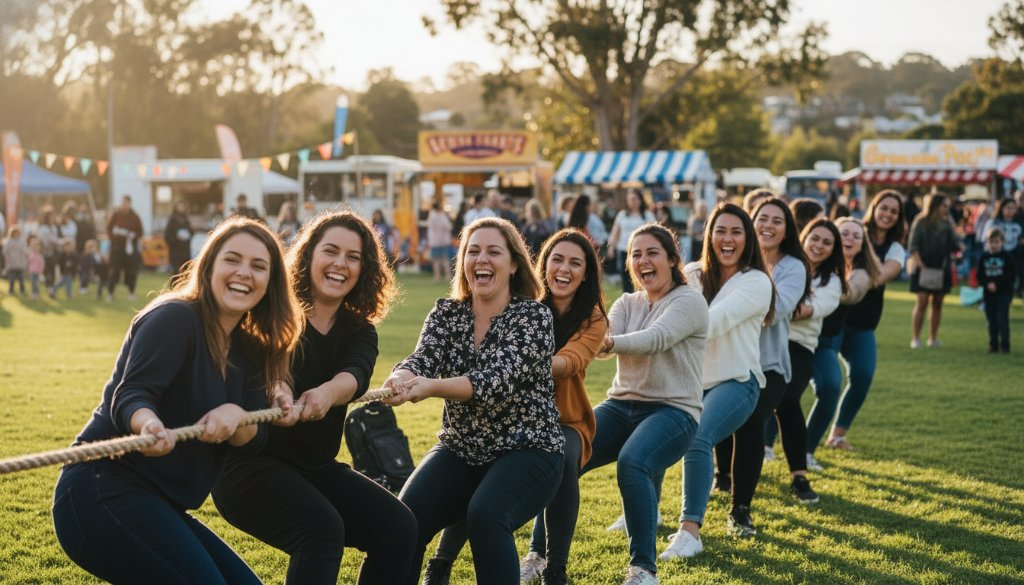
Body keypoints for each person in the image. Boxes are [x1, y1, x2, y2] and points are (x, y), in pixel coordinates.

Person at [52, 218, 304, 584]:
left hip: (162, 503)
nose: (244, 273)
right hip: (101, 487)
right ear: (210, 265)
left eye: (259, 266)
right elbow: (132, 395)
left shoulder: (252, 349)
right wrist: (148, 424)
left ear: (270, 283)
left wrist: (237, 418)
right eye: (232, 259)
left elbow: (256, 440)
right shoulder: (175, 318)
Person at [213, 211, 416, 584]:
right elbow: (270, 367)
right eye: (331, 251)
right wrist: (280, 391)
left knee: (399, 528)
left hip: (315, 468)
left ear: (364, 268)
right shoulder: (273, 312)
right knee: (322, 532)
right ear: (309, 256)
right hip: (249, 465)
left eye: (353, 257)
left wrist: (325, 394)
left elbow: (353, 376)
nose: (340, 264)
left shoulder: (360, 331)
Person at [422, 228, 609, 585]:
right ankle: (442, 561)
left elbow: (570, 362)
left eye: (575, 263)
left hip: (563, 419)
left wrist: (519, 362)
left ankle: (555, 566)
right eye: (557, 259)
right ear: (542, 264)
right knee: (478, 466)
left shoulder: (592, 319)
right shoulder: (521, 305)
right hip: (501, 416)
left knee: (564, 463)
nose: (564, 269)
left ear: (586, 273)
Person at [385, 217, 564, 585]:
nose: (481, 259)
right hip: (461, 447)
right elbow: (422, 359)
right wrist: (400, 377)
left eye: (493, 251)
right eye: (473, 251)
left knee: (486, 514)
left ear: (514, 264)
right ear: (462, 262)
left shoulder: (533, 317)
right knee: (405, 518)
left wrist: (430, 386)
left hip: (529, 449)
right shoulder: (447, 313)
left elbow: (493, 381)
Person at [581, 223, 707, 585]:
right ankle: (540, 557)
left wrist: (607, 344)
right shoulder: (627, 302)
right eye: (636, 254)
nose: (642, 260)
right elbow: (605, 336)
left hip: (674, 410)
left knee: (633, 461)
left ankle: (642, 571)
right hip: (621, 405)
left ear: (671, 259)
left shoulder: (688, 300)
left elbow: (656, 338)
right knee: (561, 454)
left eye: (652, 253)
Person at [658, 203, 773, 560]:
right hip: (690, 381)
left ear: (747, 238)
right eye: (720, 230)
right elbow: (660, 308)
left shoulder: (756, 281)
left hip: (738, 380)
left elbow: (716, 320)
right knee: (653, 435)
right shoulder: (691, 274)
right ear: (709, 235)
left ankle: (689, 532)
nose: (727, 238)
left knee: (697, 435)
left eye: (736, 232)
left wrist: (669, 328)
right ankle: (642, 514)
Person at [714, 197, 810, 536]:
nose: (768, 225)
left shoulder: (793, 267)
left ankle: (740, 510)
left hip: (768, 364)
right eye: (762, 219)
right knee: (719, 417)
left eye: (777, 221)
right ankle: (721, 475)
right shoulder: (729, 261)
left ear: (787, 230)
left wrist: (747, 297)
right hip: (727, 358)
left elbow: (777, 310)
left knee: (751, 420)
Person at [765, 218, 846, 501]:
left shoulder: (832, 281)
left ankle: (799, 475)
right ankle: (725, 472)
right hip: (763, 340)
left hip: (799, 346)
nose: (819, 245)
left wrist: (768, 306)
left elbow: (810, 309)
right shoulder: (783, 263)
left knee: (787, 399)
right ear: (804, 237)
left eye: (827, 242)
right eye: (815, 238)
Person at [825, 190, 906, 450]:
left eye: (894, 211)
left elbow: (882, 274)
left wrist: (859, 278)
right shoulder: (854, 230)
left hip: (863, 323)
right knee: (819, 380)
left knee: (863, 375)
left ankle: (836, 435)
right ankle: (771, 438)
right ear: (874, 207)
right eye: (884, 208)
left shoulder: (894, 248)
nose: (888, 214)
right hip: (833, 318)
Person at [804, 217, 880, 469]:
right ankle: (766, 446)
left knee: (849, 379)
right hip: (811, 335)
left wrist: (831, 290)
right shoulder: (807, 263)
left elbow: (854, 291)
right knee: (787, 387)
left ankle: (824, 441)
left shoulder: (861, 271)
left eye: (856, 236)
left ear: (862, 244)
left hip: (845, 332)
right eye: (844, 233)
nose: (849, 239)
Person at [908, 192, 960, 348]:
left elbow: (955, 246)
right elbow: (913, 246)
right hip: (922, 267)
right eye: (944, 205)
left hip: (941, 267)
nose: (946, 208)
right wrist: (921, 266)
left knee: (938, 303)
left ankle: (933, 337)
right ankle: (916, 338)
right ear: (935, 205)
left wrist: (958, 248)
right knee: (922, 302)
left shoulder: (947, 224)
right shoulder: (920, 221)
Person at [608, 189, 655, 293]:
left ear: (640, 200)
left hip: (641, 252)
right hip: (623, 249)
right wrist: (611, 247)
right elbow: (616, 232)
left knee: (640, 275)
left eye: (635, 199)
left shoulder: (647, 215)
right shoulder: (622, 215)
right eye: (631, 199)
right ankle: (627, 297)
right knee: (625, 277)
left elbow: (654, 232)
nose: (633, 202)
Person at [978, 227, 1015, 353]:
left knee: (1002, 319)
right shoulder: (984, 257)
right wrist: (987, 284)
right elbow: (980, 275)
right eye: (991, 242)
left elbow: (1010, 275)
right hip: (988, 294)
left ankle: (1005, 345)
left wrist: (997, 285)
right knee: (991, 320)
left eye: (996, 242)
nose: (993, 245)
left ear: (1002, 242)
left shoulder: (1007, 257)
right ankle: (993, 344)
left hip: (1003, 293)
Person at [106, 195, 144, 302]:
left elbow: (140, 232)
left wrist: (133, 235)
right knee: (114, 270)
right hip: (117, 248)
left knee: (131, 271)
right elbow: (109, 229)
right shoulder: (116, 215)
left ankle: (131, 292)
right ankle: (110, 293)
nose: (124, 205)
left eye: (126, 203)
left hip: (130, 249)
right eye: (123, 202)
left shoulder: (135, 216)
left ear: (129, 204)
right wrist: (115, 236)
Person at [165, 200, 195, 277]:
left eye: (183, 206)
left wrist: (188, 235)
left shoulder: (186, 220)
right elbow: (167, 236)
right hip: (176, 251)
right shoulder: (172, 220)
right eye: (180, 206)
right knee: (176, 273)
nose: (181, 208)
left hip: (185, 251)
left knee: (185, 273)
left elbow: (191, 232)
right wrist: (176, 237)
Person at [427, 201, 454, 283]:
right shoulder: (443, 216)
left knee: (436, 260)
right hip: (444, 240)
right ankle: (447, 276)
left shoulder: (431, 216)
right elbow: (448, 227)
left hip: (434, 241)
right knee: (445, 259)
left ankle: (437, 277)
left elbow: (429, 226)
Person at [3, 225, 28, 295]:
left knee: (21, 279)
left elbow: (25, 251)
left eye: (17, 233)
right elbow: (5, 252)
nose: (16, 235)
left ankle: (22, 290)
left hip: (20, 264)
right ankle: (11, 290)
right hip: (11, 264)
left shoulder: (22, 242)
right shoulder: (8, 242)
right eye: (14, 233)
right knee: (12, 279)